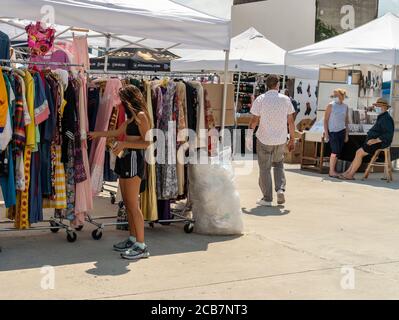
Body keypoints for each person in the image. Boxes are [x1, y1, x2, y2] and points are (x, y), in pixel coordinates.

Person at [89, 85, 151, 260]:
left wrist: (124, 145)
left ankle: (141, 245)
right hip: (125, 159)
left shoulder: (141, 117)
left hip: (134, 159)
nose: (119, 102)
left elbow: (148, 143)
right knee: (127, 203)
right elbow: (116, 132)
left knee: (133, 204)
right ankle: (133, 239)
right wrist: (96, 134)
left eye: (122, 99)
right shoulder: (131, 118)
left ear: (129, 99)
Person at [249, 75, 296, 207]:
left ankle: (267, 198)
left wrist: (248, 136)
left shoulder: (261, 99)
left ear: (266, 85)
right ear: (278, 85)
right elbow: (291, 121)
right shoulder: (286, 99)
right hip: (280, 139)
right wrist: (292, 138)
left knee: (265, 169)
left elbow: (254, 121)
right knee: (279, 164)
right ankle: (280, 189)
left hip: (264, 138)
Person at [340, 98, 394, 180]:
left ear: (384, 107)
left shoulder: (386, 118)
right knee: (358, 152)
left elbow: (388, 134)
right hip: (374, 141)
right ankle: (348, 173)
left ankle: (350, 174)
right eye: (376, 106)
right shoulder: (382, 117)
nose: (376, 107)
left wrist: (375, 140)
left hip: (379, 143)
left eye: (378, 106)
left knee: (359, 153)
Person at [324, 89, 349, 178]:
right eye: (339, 96)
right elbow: (325, 120)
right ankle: (331, 171)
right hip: (333, 132)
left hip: (342, 131)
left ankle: (333, 170)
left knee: (338, 152)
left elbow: (346, 121)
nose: (340, 98)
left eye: (342, 96)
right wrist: (326, 133)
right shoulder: (331, 105)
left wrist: (346, 134)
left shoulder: (345, 106)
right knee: (334, 151)